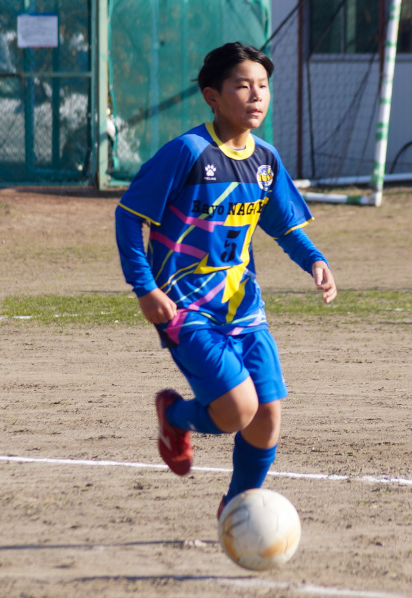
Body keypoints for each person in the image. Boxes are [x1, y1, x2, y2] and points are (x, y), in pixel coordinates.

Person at [115, 41, 336, 517]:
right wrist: (145, 288)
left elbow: (284, 227)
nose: (256, 95)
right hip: (184, 308)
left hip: (243, 308)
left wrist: (314, 260)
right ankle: (175, 415)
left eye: (263, 86)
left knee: (267, 416)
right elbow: (129, 216)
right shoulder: (187, 152)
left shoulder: (266, 160)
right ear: (212, 97)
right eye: (243, 86)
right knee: (237, 411)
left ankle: (235, 508)